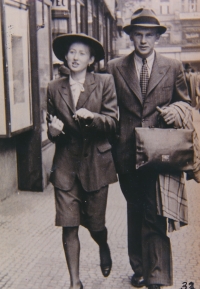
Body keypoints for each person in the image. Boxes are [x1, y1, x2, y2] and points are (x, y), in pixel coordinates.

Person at [107, 8, 191, 289]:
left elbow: (186, 105)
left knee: (155, 211)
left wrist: (173, 112)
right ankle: (139, 267)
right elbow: (109, 109)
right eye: (138, 34)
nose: (143, 40)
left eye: (149, 35)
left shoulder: (173, 67)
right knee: (135, 209)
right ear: (131, 36)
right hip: (127, 153)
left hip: (160, 151)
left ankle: (156, 274)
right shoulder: (115, 67)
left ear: (157, 37)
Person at [47, 33, 118, 289]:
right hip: (65, 167)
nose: (75, 57)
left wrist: (93, 117)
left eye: (82, 53)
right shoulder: (54, 87)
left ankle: (103, 244)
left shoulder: (104, 82)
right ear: (65, 56)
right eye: (72, 52)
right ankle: (75, 283)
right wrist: (53, 132)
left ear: (91, 59)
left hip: (96, 165)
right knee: (69, 226)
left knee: (95, 224)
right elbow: (53, 129)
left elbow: (112, 122)